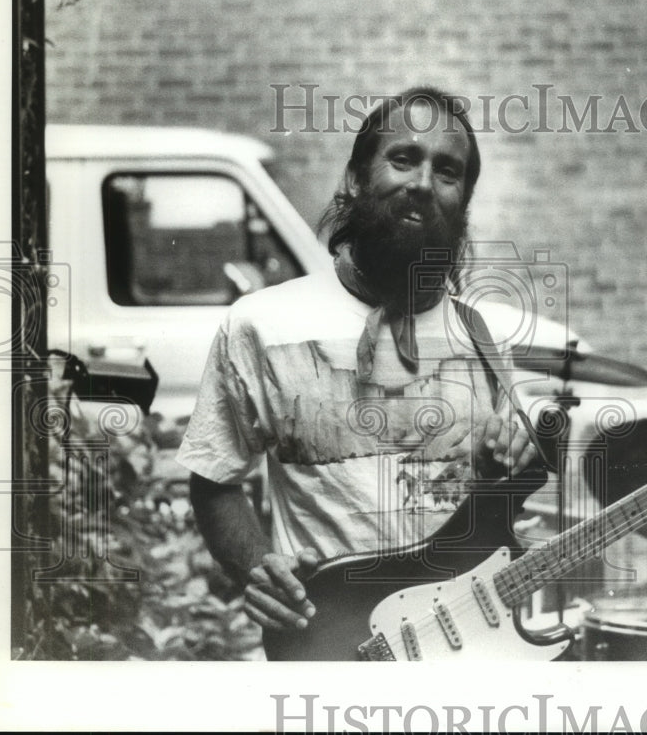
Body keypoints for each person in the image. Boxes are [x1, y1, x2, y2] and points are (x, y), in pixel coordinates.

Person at [178, 87, 540, 648]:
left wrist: (502, 465)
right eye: (403, 159)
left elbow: (490, 516)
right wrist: (259, 568)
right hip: (335, 645)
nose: (423, 182)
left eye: (447, 171)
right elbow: (214, 480)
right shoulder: (262, 325)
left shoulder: (481, 339)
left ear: (462, 202)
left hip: (460, 650)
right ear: (354, 179)